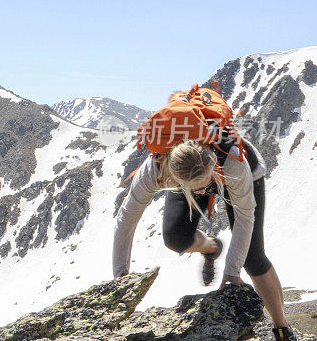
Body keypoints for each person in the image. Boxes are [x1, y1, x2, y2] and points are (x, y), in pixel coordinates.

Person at [112, 134, 297, 341]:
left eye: (204, 185)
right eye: (197, 188)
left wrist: (232, 271)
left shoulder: (233, 160)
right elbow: (126, 219)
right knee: (175, 239)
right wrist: (121, 276)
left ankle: (282, 328)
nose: (202, 190)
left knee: (252, 257)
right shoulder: (156, 169)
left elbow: (245, 217)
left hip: (236, 174)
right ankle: (211, 247)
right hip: (190, 178)